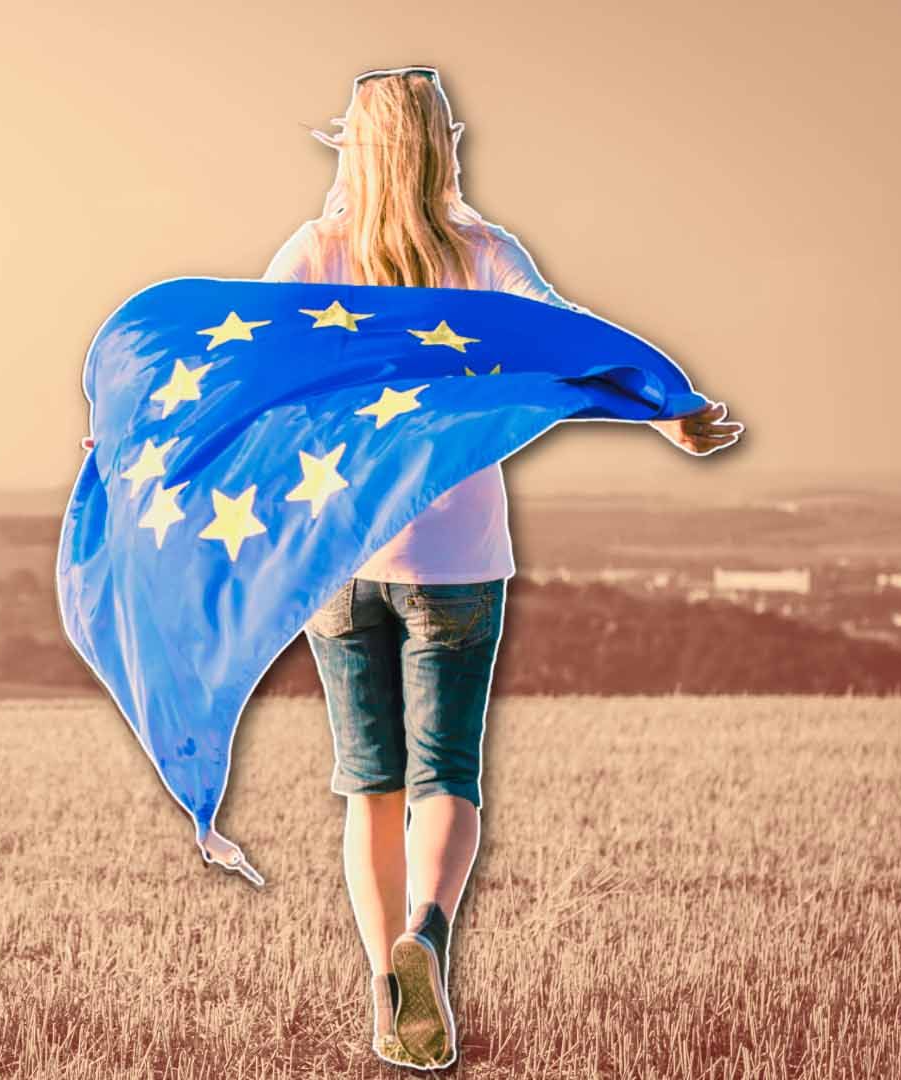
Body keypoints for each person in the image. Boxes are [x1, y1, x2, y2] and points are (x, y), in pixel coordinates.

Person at [260, 66, 743, 1070]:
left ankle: (385, 999)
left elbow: (241, 373)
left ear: (353, 148)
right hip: (457, 555)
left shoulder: (314, 253)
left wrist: (142, 439)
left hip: (341, 559)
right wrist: (666, 410)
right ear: (445, 146)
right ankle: (424, 938)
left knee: (371, 789)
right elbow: (570, 349)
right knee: (446, 778)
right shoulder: (485, 257)